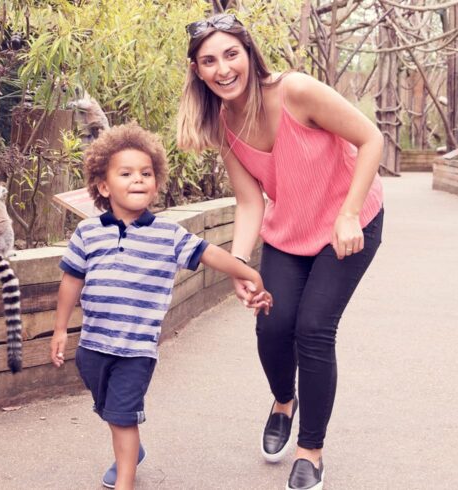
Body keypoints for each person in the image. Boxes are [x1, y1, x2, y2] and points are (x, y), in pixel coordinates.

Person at [177, 13, 385, 490]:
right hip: (289, 232)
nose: (223, 69)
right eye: (209, 61)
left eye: (231, 54)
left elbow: (371, 137)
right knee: (272, 325)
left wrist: (349, 213)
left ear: (249, 53)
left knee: (313, 329)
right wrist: (238, 264)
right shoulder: (223, 122)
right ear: (197, 71)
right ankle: (283, 402)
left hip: (348, 225)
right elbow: (250, 201)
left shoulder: (296, 91)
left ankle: (310, 451)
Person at [50, 122, 271, 489]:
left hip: (136, 350)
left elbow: (209, 253)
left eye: (146, 173)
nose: (138, 179)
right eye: (126, 173)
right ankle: (131, 451)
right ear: (103, 187)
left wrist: (248, 272)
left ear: (155, 183)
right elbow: (71, 280)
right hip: (92, 346)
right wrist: (60, 329)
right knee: (110, 410)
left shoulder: (168, 235)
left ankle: (125, 478)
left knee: (123, 416)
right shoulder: (87, 233)